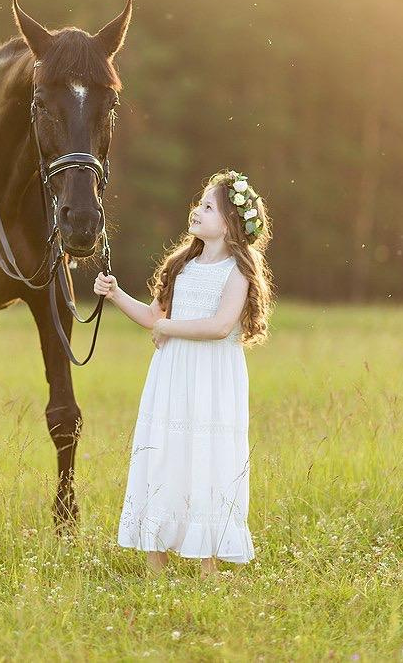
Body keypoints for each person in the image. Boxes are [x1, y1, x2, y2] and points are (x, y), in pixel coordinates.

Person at [93, 168, 275, 578]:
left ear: (229, 224)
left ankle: (206, 559)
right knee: (166, 453)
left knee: (205, 457)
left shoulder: (238, 272)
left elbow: (219, 326)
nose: (197, 209)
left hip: (211, 378)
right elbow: (153, 316)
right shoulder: (184, 264)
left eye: (208, 206)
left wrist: (167, 328)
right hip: (174, 375)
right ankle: (155, 558)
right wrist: (116, 293)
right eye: (199, 203)